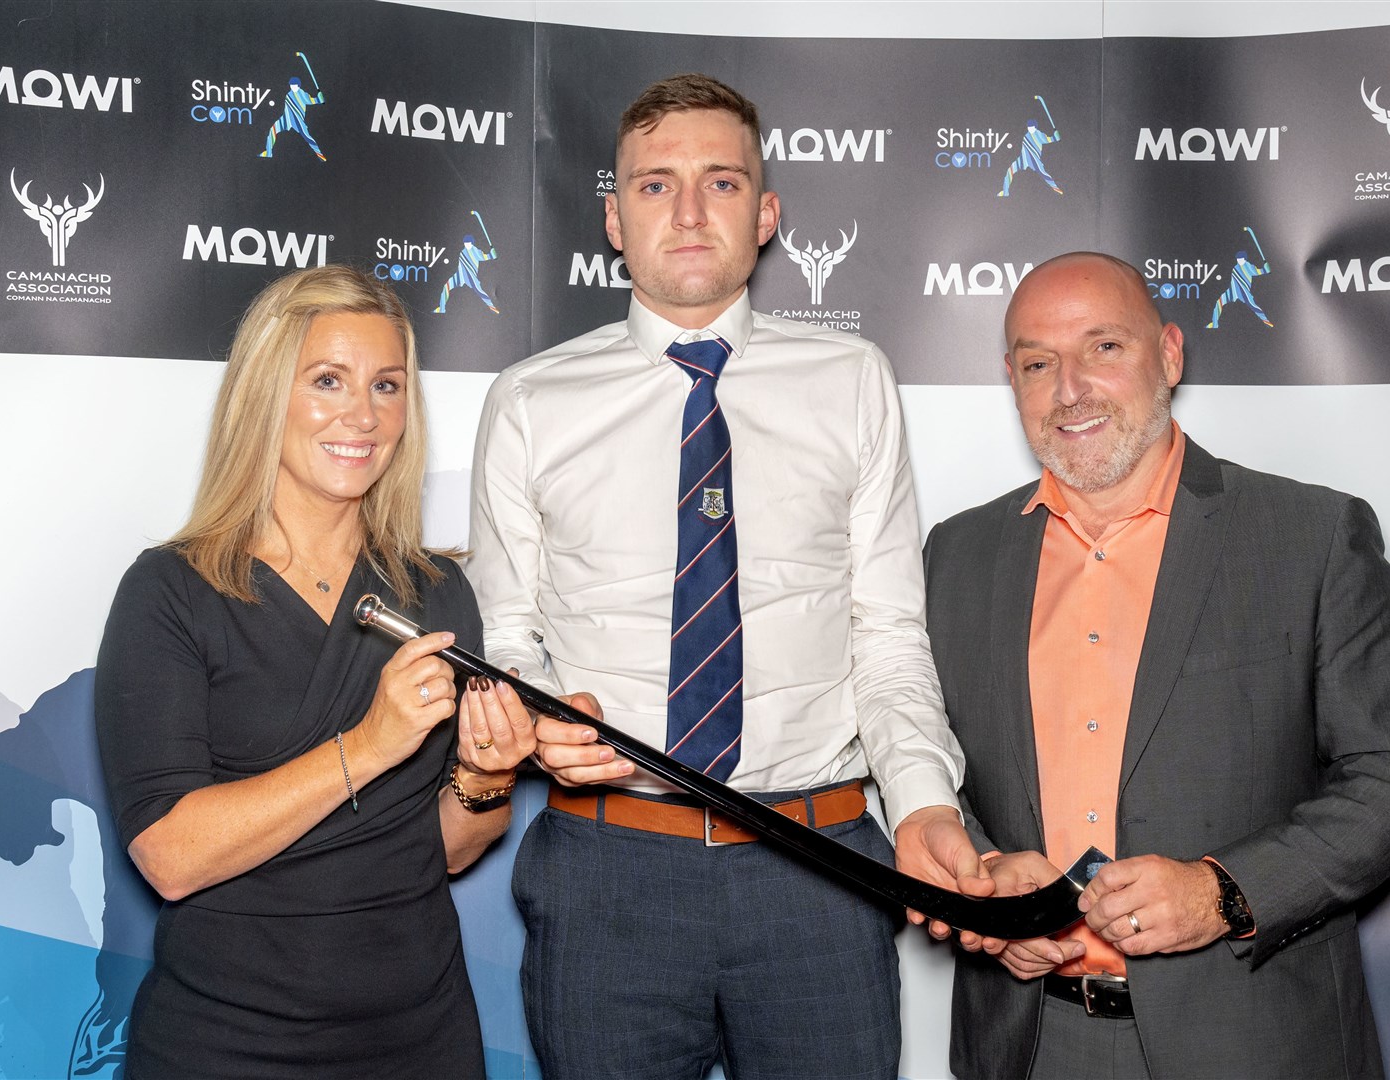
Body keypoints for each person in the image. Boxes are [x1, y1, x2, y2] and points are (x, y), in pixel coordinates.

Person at [465, 73, 987, 1079]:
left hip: (819, 868)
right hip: (607, 874)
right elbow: (504, 637)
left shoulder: (853, 381)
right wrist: (532, 718)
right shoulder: (531, 400)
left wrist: (924, 803)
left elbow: (887, 633)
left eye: (722, 182)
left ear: (768, 214)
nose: (691, 212)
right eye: (656, 187)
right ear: (613, 220)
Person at [921, 251, 1390, 1078]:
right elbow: (935, 767)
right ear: (1011, 379)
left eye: (1104, 348)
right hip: (1029, 1041)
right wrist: (986, 881)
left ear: (1169, 354)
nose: (1070, 389)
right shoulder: (958, 554)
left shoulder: (1309, 536)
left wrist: (1224, 890)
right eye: (1038, 363)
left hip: (1255, 1039)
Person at [95, 265, 534, 1079]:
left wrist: (483, 775)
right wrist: (368, 745)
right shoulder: (172, 592)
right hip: (228, 1045)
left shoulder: (437, 593)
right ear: (266, 396)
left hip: (419, 1040)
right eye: (327, 381)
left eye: (387, 385)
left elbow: (440, 850)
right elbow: (169, 855)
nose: (362, 414)